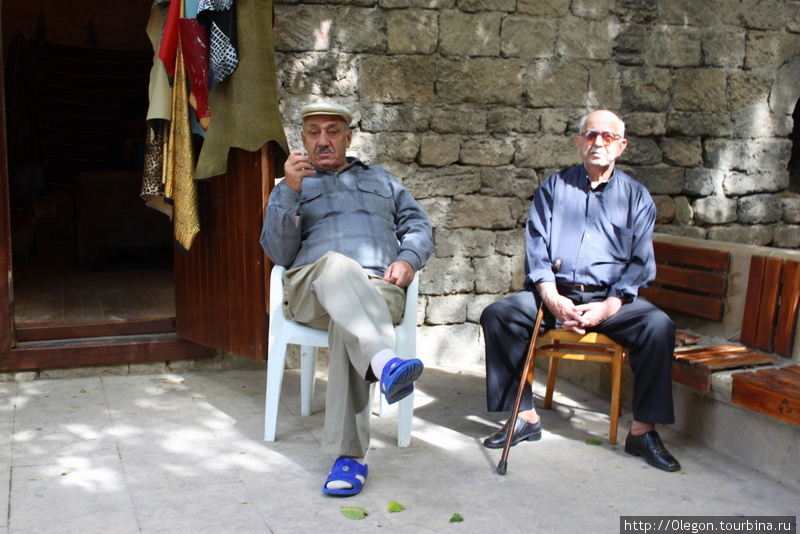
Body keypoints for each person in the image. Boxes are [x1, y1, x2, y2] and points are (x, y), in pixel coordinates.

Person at [480, 109, 681, 472]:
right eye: (590, 135)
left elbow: (640, 263)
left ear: (621, 146)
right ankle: (523, 415)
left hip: (612, 298)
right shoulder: (554, 188)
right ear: (578, 143)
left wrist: (609, 305)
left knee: (658, 327)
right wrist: (552, 296)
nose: (598, 142)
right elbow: (538, 248)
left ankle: (642, 431)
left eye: (607, 137)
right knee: (499, 316)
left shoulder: (636, 197)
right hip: (557, 293)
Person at [261, 101, 434, 495]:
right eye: (313, 132)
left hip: (378, 290)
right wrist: (289, 191)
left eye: (333, 131)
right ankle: (386, 362)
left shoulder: (383, 180)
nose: (323, 140)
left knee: (350, 324)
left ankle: (348, 459)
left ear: (349, 137)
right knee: (337, 266)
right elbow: (279, 253)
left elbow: (419, 225)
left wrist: (408, 259)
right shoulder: (290, 186)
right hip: (312, 288)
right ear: (302, 139)